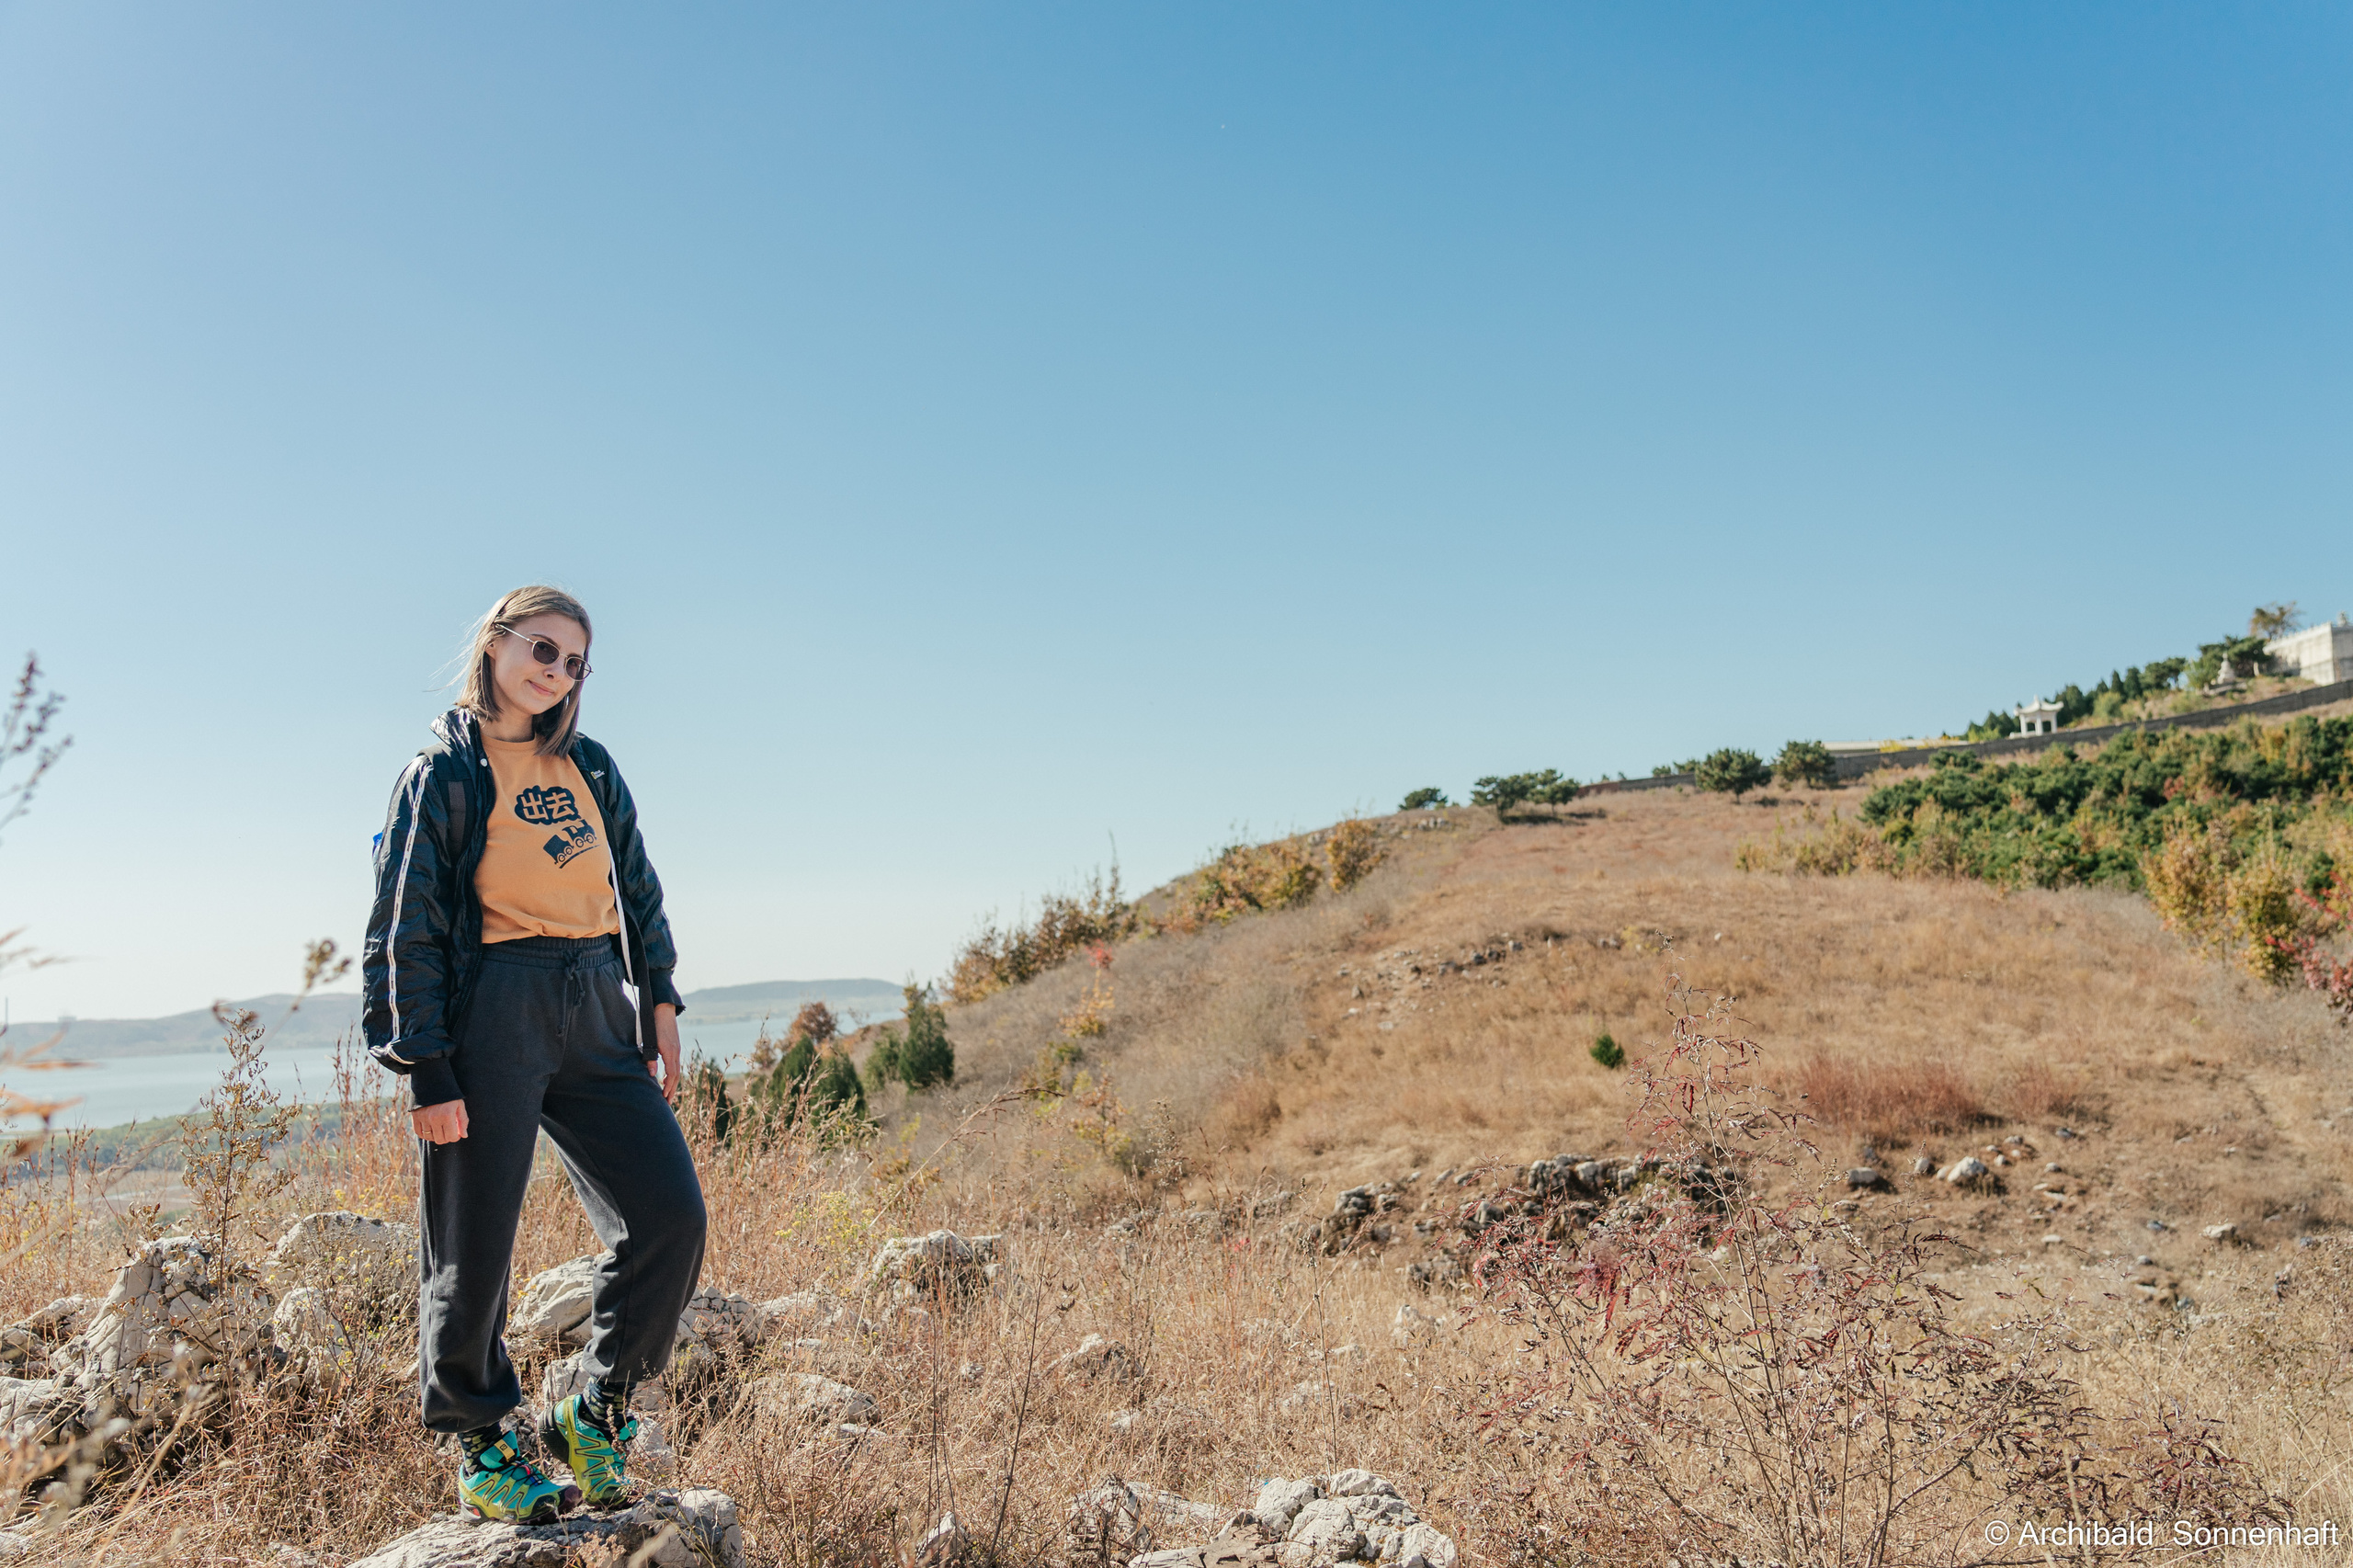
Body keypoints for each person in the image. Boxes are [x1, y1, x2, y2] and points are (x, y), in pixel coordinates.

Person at [362, 585, 706, 1523]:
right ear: (496, 641)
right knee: (473, 1246)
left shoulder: (589, 763)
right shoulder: (444, 771)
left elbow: (636, 886)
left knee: (668, 1213)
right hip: (494, 1011)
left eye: (573, 663)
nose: (554, 672)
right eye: (542, 650)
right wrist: (424, 1065)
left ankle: (595, 1410)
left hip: (596, 1003)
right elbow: (404, 924)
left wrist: (658, 1001)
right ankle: (482, 1445)